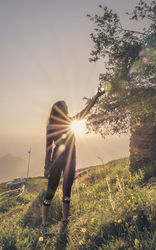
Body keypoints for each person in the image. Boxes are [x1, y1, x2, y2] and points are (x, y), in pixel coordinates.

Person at [41, 86, 105, 237]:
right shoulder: (53, 126)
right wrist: (46, 167)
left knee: (66, 190)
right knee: (52, 191)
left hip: (68, 159)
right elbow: (48, 148)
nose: (67, 110)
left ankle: (64, 221)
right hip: (60, 159)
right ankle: (44, 224)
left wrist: (96, 95)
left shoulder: (68, 122)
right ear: (61, 110)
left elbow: (86, 111)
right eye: (65, 108)